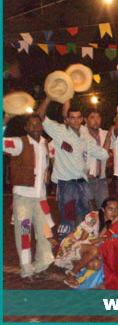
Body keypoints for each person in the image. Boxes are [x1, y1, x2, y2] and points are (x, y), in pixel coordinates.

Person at [36, 98, 109, 240]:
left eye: (78, 118)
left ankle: (83, 246)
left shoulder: (86, 138)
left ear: (82, 119)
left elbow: (103, 154)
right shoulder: (59, 132)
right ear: (67, 120)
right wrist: (49, 97)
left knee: (89, 217)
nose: (75, 121)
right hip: (66, 184)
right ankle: (65, 255)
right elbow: (40, 116)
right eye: (72, 118)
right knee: (67, 219)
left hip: (83, 183)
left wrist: (109, 136)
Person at [3, 113, 56, 283]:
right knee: (24, 235)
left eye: (38, 125)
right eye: (31, 125)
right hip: (23, 200)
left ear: (41, 126)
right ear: (26, 128)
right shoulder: (20, 143)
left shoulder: (45, 144)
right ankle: (26, 271)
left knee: (45, 233)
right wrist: (5, 120)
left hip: (41, 199)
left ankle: (40, 266)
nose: (35, 128)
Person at [56, 197, 118, 288]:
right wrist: (101, 240)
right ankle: (71, 275)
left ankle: (74, 266)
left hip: (85, 249)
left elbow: (97, 242)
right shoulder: (93, 217)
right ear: (103, 209)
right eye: (110, 209)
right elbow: (81, 242)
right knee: (94, 250)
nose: (113, 212)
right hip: (72, 244)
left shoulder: (108, 224)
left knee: (97, 264)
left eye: (116, 209)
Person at [82, 108, 113, 208]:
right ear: (85, 120)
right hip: (86, 180)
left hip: (101, 179)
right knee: (86, 214)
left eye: (98, 117)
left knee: (104, 210)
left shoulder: (105, 134)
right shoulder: (80, 134)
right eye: (92, 118)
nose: (96, 120)